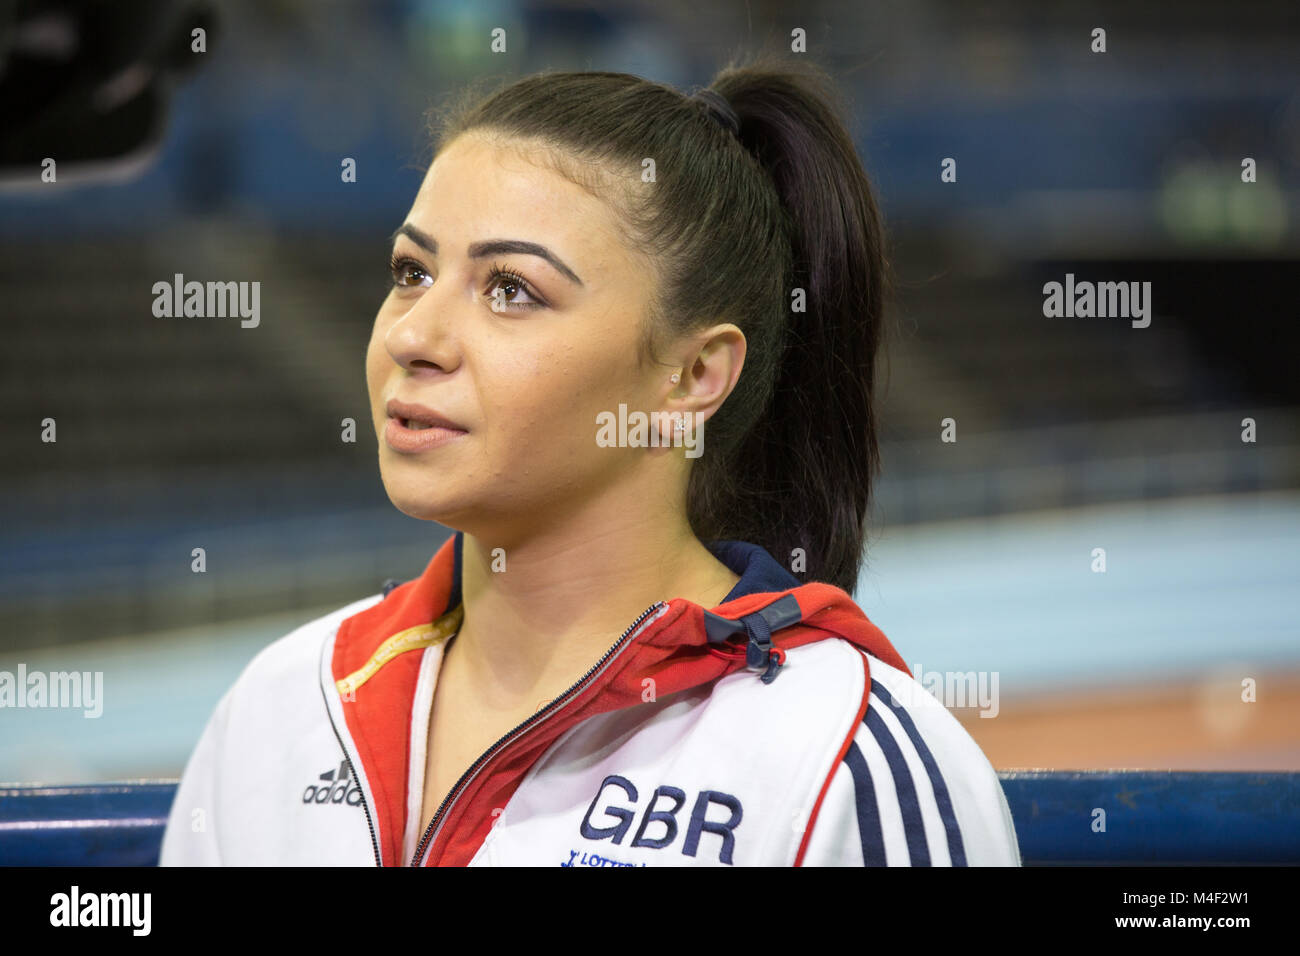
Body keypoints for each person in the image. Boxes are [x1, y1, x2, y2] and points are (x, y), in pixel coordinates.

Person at [160, 53, 1020, 866]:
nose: (413, 336)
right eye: (412, 271)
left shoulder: (835, 756)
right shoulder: (284, 706)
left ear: (691, 376)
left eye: (512, 291)